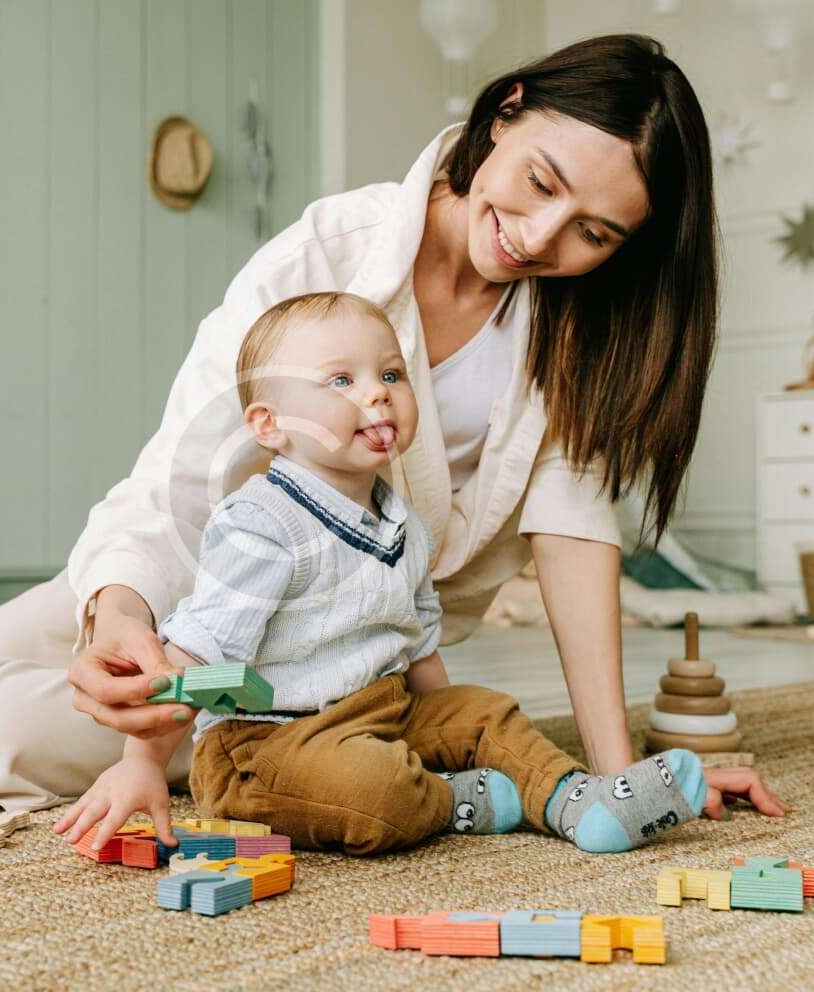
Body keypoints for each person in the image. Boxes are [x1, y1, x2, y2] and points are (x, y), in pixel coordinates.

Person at [0, 34, 787, 821]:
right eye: (540, 181)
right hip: (192, 578)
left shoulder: (579, 338)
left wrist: (618, 778)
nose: (539, 236)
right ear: (507, 111)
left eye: (593, 233)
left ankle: (286, 741)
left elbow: (573, 539)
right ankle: (52, 682)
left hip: (333, 659)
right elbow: (180, 477)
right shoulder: (330, 252)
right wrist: (119, 618)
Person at [56, 290, 715, 856]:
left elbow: (417, 642)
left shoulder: (403, 523)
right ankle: (450, 800)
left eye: (392, 375)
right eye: (341, 381)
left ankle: (582, 801)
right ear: (270, 425)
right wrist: (141, 763)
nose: (377, 392)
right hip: (267, 747)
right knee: (376, 788)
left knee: (488, 712)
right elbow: (196, 660)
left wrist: (452, 731)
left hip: (381, 710)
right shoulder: (262, 524)